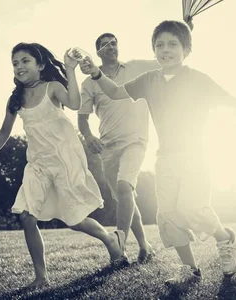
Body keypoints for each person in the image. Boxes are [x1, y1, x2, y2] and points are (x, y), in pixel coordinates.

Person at [79, 21, 236, 287]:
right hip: (165, 158)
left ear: (186, 50)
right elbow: (115, 91)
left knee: (193, 208)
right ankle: (190, 269)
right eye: (160, 45)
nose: (166, 49)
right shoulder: (148, 79)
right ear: (154, 50)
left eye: (173, 44)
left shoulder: (197, 78)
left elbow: (231, 103)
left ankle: (225, 238)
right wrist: (96, 73)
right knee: (167, 215)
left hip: (196, 155)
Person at [0, 42, 127, 289]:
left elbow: (74, 104)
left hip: (65, 160)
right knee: (27, 216)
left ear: (40, 65)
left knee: (74, 220)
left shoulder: (52, 87)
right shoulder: (15, 100)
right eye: (15, 63)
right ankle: (41, 277)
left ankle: (111, 240)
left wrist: (71, 70)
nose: (19, 66)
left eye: (25, 61)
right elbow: (3, 133)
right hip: (38, 164)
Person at [77, 33, 160, 263]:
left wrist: (185, 31)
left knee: (125, 187)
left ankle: (120, 246)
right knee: (125, 197)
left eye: (114, 43)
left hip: (136, 140)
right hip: (108, 147)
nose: (112, 47)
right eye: (105, 45)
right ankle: (145, 247)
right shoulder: (88, 83)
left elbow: (167, 58)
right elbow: (82, 118)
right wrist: (88, 136)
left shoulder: (136, 67)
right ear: (97, 53)